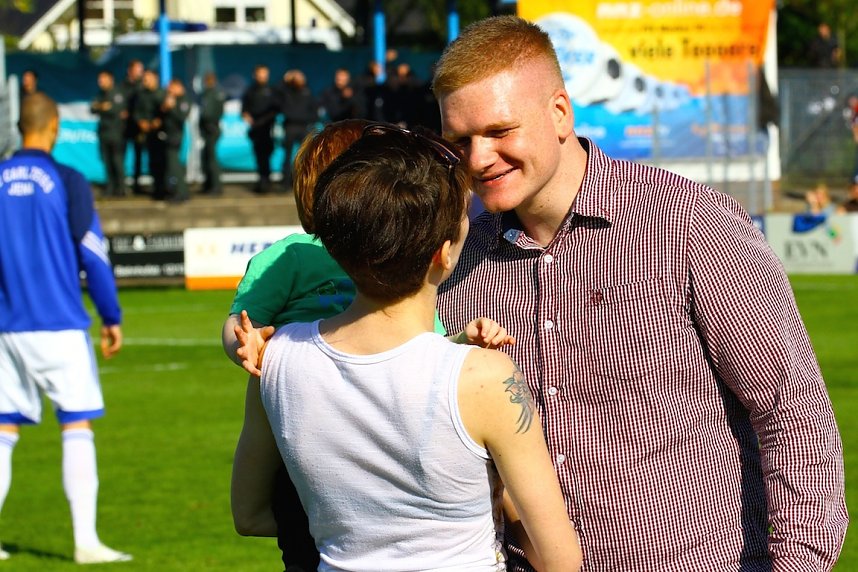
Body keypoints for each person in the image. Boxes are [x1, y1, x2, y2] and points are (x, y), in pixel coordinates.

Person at [432, 15, 848, 570]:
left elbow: (793, 415)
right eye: (459, 139)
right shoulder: (456, 260)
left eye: (499, 131)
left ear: (559, 112)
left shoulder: (691, 223)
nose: (478, 158)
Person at [230, 124, 581, 571]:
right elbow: (558, 558)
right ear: (444, 253)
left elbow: (251, 514)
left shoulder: (274, 360)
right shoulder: (486, 377)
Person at [0, 93, 131, 565]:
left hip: (6, 326)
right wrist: (110, 314)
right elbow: (91, 252)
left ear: (21, 125)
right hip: (58, 322)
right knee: (76, 423)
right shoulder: (67, 178)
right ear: (54, 125)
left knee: (3, 430)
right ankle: (86, 543)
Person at [277, 69, 317, 190]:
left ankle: (304, 182)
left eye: (300, 78)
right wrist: (285, 79)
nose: (298, 80)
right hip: (290, 127)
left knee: (306, 156)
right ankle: (285, 182)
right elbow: (277, 92)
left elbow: (314, 111)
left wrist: (308, 120)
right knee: (287, 156)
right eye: (296, 78)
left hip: (304, 127)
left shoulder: (308, 92)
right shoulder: (286, 92)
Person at [241, 64, 279, 194]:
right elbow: (244, 109)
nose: (262, 77)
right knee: (259, 156)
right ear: (255, 75)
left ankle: (266, 181)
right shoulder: (250, 91)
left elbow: (276, 109)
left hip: (268, 129)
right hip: (256, 129)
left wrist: (266, 120)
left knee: (267, 154)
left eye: (265, 74)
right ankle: (262, 181)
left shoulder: (272, 90)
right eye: (260, 74)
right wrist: (248, 117)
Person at [90, 70, 127, 198]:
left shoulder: (117, 93)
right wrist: (102, 106)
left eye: (103, 79)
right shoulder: (100, 94)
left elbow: (115, 109)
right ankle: (110, 187)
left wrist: (104, 107)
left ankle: (121, 188)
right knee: (107, 161)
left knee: (117, 161)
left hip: (116, 133)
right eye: (99, 80)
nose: (101, 82)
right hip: (104, 132)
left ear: (110, 79)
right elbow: (93, 108)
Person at [134, 70, 166, 199]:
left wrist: (158, 122)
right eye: (144, 78)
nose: (145, 81)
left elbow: (166, 112)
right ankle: (151, 187)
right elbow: (136, 111)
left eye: (148, 78)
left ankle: (162, 188)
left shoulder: (162, 94)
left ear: (155, 78)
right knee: (149, 162)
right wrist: (141, 122)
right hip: (145, 133)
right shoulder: (141, 95)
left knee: (161, 162)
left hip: (160, 133)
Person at [158, 78, 191, 203]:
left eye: (172, 88)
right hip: (168, 135)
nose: (169, 91)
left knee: (175, 166)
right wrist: (165, 107)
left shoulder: (183, 101)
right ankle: (177, 191)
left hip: (175, 137)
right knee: (171, 167)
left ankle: (181, 193)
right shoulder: (171, 100)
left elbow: (181, 117)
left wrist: (171, 108)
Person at [119, 60, 146, 195]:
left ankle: (137, 184)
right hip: (123, 127)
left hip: (137, 127)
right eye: (137, 70)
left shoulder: (142, 87)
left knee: (138, 155)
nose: (140, 73)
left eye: (141, 70)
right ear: (130, 71)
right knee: (120, 156)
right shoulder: (122, 86)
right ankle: (121, 185)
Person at [199, 71, 226, 196]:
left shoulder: (212, 94)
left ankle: (215, 186)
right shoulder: (211, 93)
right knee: (207, 158)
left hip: (211, 129)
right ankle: (210, 185)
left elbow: (207, 113)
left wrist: (206, 121)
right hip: (210, 128)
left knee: (211, 159)